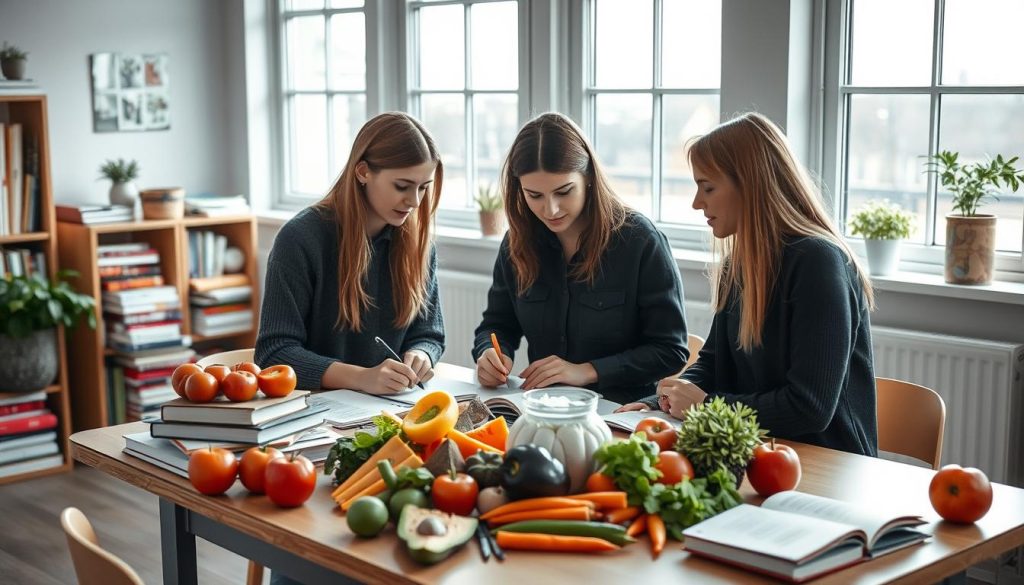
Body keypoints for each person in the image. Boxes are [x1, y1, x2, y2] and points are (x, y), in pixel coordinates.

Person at [618, 112, 878, 457]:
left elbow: (810, 407)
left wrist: (706, 406)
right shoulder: (738, 264)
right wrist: (661, 401)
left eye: (708, 187)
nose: (697, 203)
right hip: (758, 450)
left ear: (751, 184)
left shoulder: (819, 262)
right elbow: (713, 362)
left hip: (828, 463)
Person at [473, 112, 689, 406]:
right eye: (534, 195)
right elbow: (497, 324)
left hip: (621, 413)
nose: (550, 210)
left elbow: (670, 351)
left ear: (588, 177)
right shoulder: (517, 242)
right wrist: (490, 352)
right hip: (541, 408)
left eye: (564, 192)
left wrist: (587, 371)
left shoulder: (640, 241)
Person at [255, 112, 445, 395]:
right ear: (363, 172)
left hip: (390, 405)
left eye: (423, 188)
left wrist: (422, 354)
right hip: (313, 409)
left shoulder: (418, 242)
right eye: (402, 186)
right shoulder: (299, 239)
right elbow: (274, 353)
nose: (415, 201)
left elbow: (428, 333)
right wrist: (362, 378)